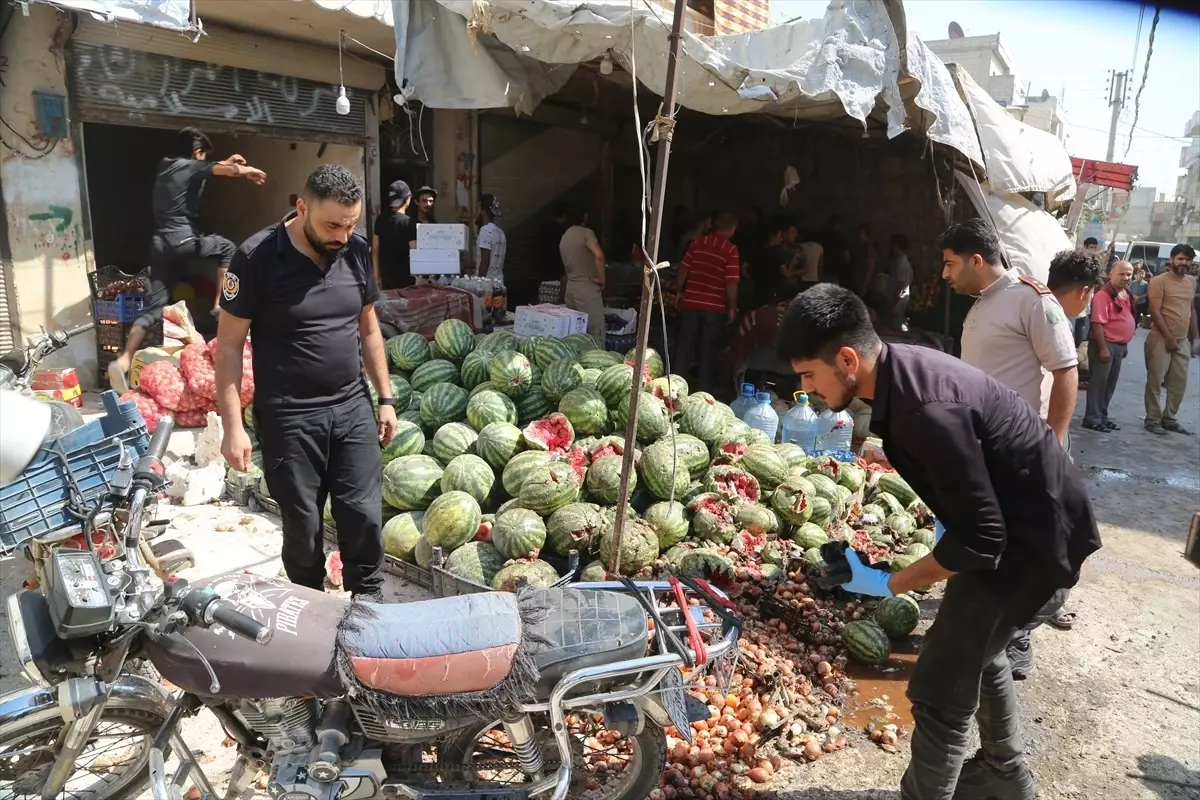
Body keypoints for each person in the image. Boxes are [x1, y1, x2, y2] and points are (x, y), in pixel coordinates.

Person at [776, 284, 1100, 800]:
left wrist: (889, 582)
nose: (808, 390)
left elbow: (981, 538)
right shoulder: (903, 371)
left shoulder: (924, 409)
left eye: (808, 376)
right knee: (982, 650)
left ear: (846, 358)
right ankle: (1004, 774)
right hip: (1024, 527)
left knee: (938, 693)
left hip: (1032, 545)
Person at [215, 165, 397, 602]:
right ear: (301, 208)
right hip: (289, 417)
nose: (341, 234)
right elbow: (227, 347)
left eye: (350, 224)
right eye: (331, 224)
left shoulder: (353, 251)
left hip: (352, 408)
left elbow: (369, 329)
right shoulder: (256, 258)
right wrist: (233, 426)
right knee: (304, 528)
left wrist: (386, 398)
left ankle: (369, 611)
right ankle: (310, 607)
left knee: (364, 518)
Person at [108, 127, 266, 392]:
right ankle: (220, 305)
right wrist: (246, 171)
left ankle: (124, 358)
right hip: (182, 238)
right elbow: (218, 171)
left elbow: (214, 168)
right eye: (201, 155)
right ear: (196, 152)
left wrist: (229, 162)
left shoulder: (167, 166)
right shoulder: (189, 166)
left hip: (160, 245)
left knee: (153, 309)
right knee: (227, 248)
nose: (202, 160)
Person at [940, 219, 1079, 446]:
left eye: (950, 264)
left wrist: (1053, 443)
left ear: (976, 261)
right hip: (985, 439)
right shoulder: (982, 300)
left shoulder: (1031, 300)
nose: (945, 274)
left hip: (1021, 442)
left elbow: (1066, 370)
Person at [673, 210, 740, 394]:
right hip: (714, 308)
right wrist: (732, 307)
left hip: (691, 303)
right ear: (732, 229)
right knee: (708, 351)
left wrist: (679, 291)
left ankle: (675, 386)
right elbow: (731, 282)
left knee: (685, 345)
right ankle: (703, 392)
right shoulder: (730, 250)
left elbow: (683, 269)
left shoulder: (697, 242)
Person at [1144, 243, 1200, 435]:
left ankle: (1169, 419)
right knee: (1155, 381)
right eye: (1181, 259)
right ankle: (1152, 419)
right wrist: (1168, 337)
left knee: (1179, 382)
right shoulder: (1159, 281)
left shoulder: (1191, 281)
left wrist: (1196, 338)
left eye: (1188, 260)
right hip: (1161, 337)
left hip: (1183, 339)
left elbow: (1191, 310)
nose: (1184, 263)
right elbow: (1154, 310)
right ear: (1172, 260)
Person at [1083, 260, 1136, 432]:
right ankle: (1092, 418)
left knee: (1109, 384)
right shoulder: (1103, 295)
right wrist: (1103, 348)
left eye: (1129, 274)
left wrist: (1124, 344)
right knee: (1099, 383)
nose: (1126, 277)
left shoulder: (1125, 293)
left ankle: (1102, 416)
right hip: (1106, 344)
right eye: (1121, 274)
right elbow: (1097, 323)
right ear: (1110, 274)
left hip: (1118, 346)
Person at [558, 207, 607, 343]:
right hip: (587, 288)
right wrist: (601, 279)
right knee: (595, 333)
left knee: (574, 334)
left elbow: (566, 268)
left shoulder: (565, 236)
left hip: (571, 288)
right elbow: (599, 255)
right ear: (585, 216)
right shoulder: (587, 233)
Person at [371, 180, 417, 290]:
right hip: (405, 280)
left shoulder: (380, 219)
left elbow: (375, 250)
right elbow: (415, 251)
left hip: (385, 278)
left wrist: (377, 277)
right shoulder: (408, 222)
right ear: (407, 198)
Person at [883, 233, 913, 329]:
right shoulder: (900, 261)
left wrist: (895, 302)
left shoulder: (901, 263)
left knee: (894, 327)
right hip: (899, 299)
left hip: (898, 300)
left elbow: (900, 283)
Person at [475, 194, 507, 281]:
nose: (475, 213)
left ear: (484, 211)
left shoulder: (485, 230)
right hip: (499, 284)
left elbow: (485, 261)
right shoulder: (501, 233)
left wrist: (479, 283)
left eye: (477, 208)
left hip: (488, 287)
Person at [538, 200, 570, 287]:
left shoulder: (543, 228)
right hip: (559, 271)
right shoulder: (563, 231)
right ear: (565, 215)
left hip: (545, 269)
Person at [818, 215, 851, 286]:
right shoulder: (842, 238)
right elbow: (846, 257)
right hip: (835, 272)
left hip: (823, 271)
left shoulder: (822, 236)